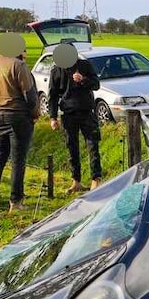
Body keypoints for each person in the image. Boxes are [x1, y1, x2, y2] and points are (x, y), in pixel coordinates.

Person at [0, 34, 40, 213]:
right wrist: (34, 114)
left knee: (0, 156)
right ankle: (16, 201)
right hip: (19, 115)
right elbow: (30, 95)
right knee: (18, 160)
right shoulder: (18, 65)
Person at [47, 45, 103, 192]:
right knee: (72, 148)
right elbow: (52, 95)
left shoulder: (84, 65)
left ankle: (96, 179)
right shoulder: (56, 70)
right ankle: (76, 181)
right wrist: (52, 117)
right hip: (68, 114)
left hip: (87, 112)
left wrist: (83, 79)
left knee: (93, 146)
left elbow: (96, 84)